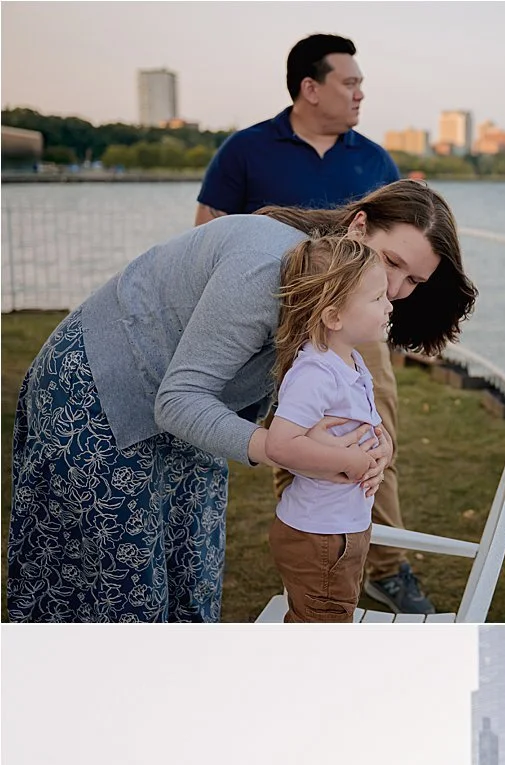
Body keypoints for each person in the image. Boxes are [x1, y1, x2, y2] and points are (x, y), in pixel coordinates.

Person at [7, 180, 470, 622]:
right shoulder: (266, 268)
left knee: (189, 578)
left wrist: (374, 445)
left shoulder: (333, 292)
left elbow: (323, 398)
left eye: (413, 281)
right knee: (121, 594)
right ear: (358, 227)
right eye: (391, 262)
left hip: (186, 409)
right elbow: (179, 400)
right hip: (98, 392)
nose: (394, 290)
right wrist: (279, 448)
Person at [194, 30, 431, 613]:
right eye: (349, 83)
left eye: (361, 84)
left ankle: (382, 564)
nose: (359, 94)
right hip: (272, 332)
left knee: (374, 432)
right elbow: (206, 233)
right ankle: (309, 548)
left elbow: (399, 245)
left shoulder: (374, 159)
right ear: (310, 87)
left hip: (354, 330)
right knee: (294, 435)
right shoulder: (246, 151)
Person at [264, 235, 390, 620]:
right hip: (320, 536)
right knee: (320, 630)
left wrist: (383, 451)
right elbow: (280, 445)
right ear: (334, 317)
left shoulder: (349, 361)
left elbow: (372, 426)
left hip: (342, 528)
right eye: (377, 299)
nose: (389, 305)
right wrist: (347, 460)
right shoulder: (315, 374)